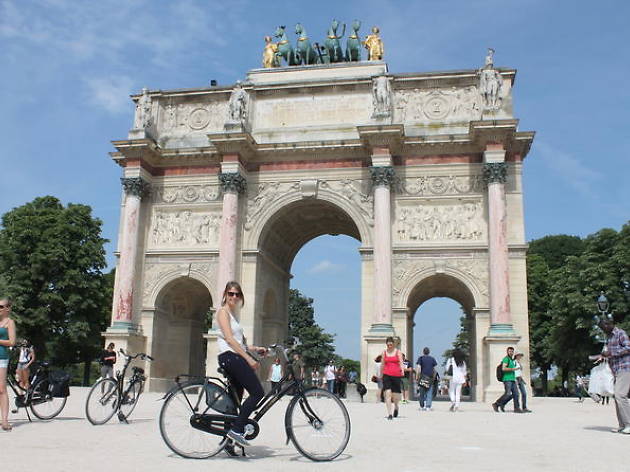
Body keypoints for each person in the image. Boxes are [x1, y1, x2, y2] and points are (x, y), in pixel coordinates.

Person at [215, 281, 267, 447]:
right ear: (225, 295)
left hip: (233, 356)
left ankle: (227, 442)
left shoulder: (233, 315)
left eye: (237, 294)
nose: (234, 297)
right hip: (231, 357)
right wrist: (249, 358)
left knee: (233, 402)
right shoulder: (223, 312)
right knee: (258, 392)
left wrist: (255, 349)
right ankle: (237, 430)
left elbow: (238, 342)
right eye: (231, 293)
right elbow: (229, 340)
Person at [597, 318, 630, 434]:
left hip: (625, 368)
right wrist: (603, 356)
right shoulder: (609, 338)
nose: (603, 330)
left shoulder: (620, 333)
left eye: (603, 327)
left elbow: (628, 348)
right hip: (616, 370)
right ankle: (622, 425)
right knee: (617, 397)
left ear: (608, 324)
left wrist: (611, 353)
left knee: (620, 395)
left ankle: (628, 424)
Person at [0, 297, 17, 431]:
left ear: (7, 309)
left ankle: (4, 421)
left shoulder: (9, 322)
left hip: (2, 358)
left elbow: (12, 342)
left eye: (1, 307)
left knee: (1, 389)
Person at [380, 336, 404, 420]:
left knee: (396, 395)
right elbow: (382, 364)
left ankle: (396, 406)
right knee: (387, 393)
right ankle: (389, 414)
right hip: (387, 374)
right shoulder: (384, 352)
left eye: (390, 344)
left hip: (396, 375)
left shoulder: (398, 352)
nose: (389, 346)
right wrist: (380, 374)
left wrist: (403, 371)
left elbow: (401, 362)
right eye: (388, 345)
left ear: (393, 344)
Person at [492, 346, 522, 413]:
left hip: (512, 379)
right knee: (508, 394)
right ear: (507, 352)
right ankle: (496, 404)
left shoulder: (511, 360)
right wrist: (513, 369)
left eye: (512, 351)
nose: (511, 352)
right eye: (509, 351)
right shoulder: (506, 359)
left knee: (516, 394)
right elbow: (503, 368)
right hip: (507, 379)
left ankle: (516, 408)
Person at [415, 347, 437, 411]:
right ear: (429, 352)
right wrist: (434, 377)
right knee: (429, 392)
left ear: (423, 352)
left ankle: (422, 406)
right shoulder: (432, 359)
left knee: (422, 392)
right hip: (430, 377)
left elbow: (418, 368)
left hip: (423, 377)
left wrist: (417, 376)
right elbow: (434, 370)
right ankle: (428, 406)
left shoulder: (421, 358)